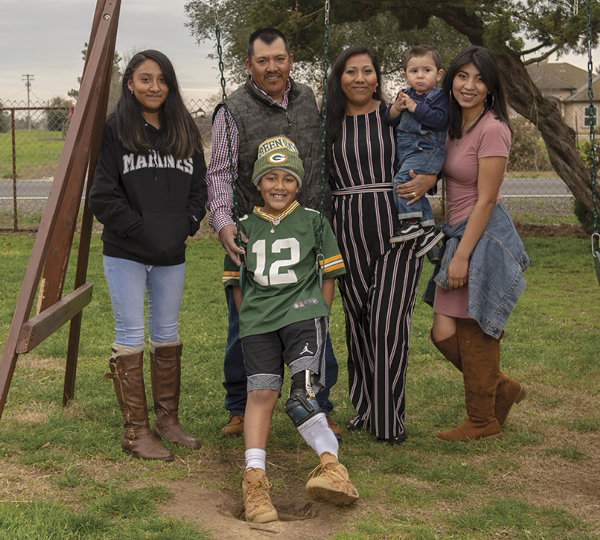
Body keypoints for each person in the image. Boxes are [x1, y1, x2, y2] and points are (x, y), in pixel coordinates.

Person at [207, 27, 342, 439]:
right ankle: (238, 404)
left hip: (306, 230)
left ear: (290, 61)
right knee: (245, 321)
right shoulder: (231, 110)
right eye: (262, 60)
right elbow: (219, 173)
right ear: (248, 65)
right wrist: (224, 222)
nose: (272, 67)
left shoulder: (307, 98)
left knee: (312, 317)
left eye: (279, 59)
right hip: (255, 235)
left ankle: (317, 400)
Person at [223, 136, 359, 523]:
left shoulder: (314, 221)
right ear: (258, 183)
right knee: (261, 392)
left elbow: (330, 273)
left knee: (302, 394)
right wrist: (249, 317)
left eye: (287, 178)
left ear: (298, 184)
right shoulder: (243, 227)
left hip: (302, 316)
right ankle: (254, 480)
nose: (279, 186)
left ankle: (333, 469)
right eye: (270, 178)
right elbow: (235, 280)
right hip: (259, 323)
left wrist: (320, 311)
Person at [89, 50, 207, 461]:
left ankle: (168, 422)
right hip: (126, 250)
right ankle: (136, 432)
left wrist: (184, 224)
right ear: (130, 84)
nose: (154, 87)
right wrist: (140, 230)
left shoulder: (184, 130)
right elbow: (102, 195)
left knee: (167, 333)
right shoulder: (114, 130)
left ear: (170, 84)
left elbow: (199, 190)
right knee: (131, 336)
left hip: (171, 252)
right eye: (145, 79)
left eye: (161, 79)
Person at [326, 45, 438, 446]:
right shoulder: (329, 123)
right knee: (358, 322)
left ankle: (390, 421)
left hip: (398, 227)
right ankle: (366, 409)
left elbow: (433, 147)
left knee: (387, 324)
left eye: (368, 71)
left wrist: (431, 178)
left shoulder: (399, 113)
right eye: (351, 71)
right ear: (339, 77)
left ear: (378, 76)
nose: (360, 79)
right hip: (347, 230)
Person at [423, 45, 529, 442]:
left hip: (482, 234)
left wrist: (463, 255)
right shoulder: (452, 125)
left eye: (479, 79)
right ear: (451, 81)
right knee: (443, 332)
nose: (469, 85)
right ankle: (500, 390)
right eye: (462, 76)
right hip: (458, 232)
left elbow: (486, 198)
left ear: (490, 87)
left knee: (475, 326)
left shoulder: (494, 128)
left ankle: (482, 421)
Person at [384, 45, 448, 260]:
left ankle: (410, 223)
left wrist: (414, 108)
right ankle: (428, 230)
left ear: (439, 74)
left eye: (426, 70)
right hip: (407, 151)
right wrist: (397, 107)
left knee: (402, 182)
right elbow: (389, 120)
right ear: (405, 75)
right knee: (413, 186)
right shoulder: (404, 95)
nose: (420, 76)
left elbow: (440, 121)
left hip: (427, 149)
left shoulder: (440, 97)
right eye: (414, 71)